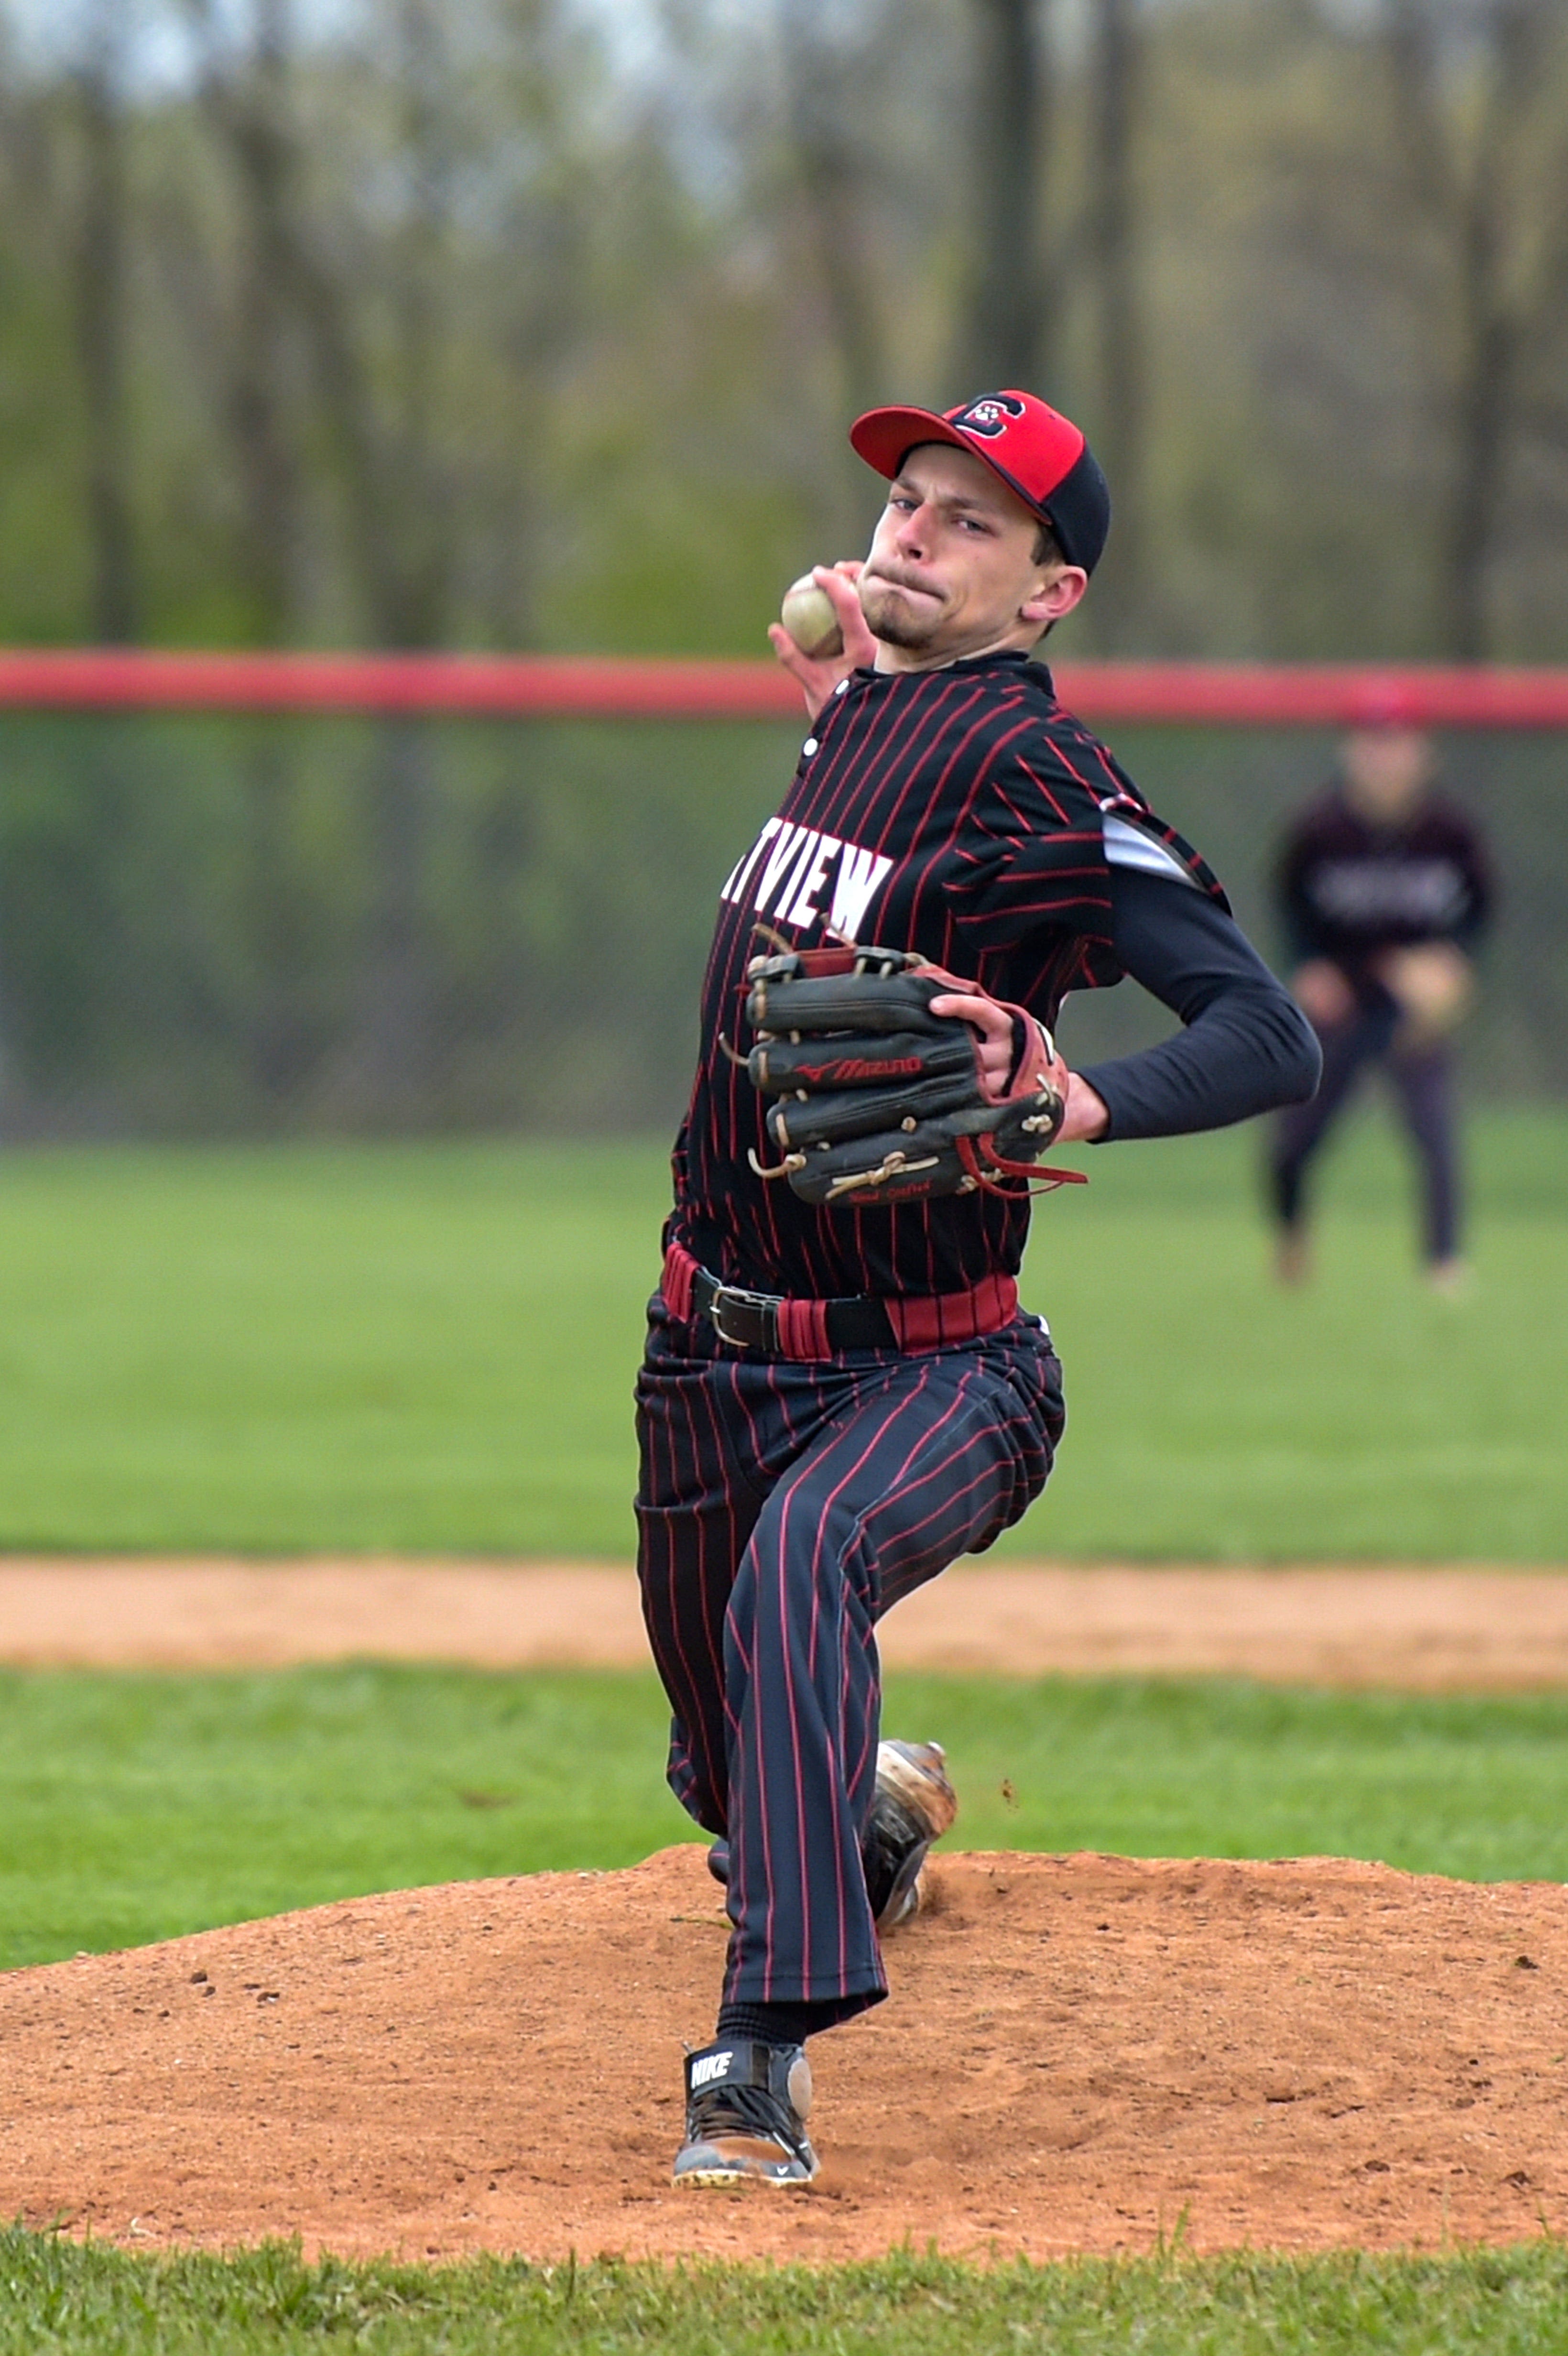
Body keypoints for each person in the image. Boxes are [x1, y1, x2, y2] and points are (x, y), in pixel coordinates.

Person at [635, 388, 1321, 2190]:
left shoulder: (1039, 776)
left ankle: (757, 2063)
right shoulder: (857, 712)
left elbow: (1266, 1031)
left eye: (969, 519)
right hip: (703, 1353)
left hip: (937, 1369)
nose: (914, 531)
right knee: (735, 1786)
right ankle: (857, 1811)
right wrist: (843, 710)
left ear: (1049, 592)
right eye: (909, 498)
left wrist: (1078, 1096)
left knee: (803, 1574)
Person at [1267, 698, 1492, 1293]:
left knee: (1434, 1129)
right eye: (1372, 743)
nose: (1385, 757)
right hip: (1341, 999)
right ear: (1351, 752)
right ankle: (1291, 1241)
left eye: (1398, 743)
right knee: (1295, 1138)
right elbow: (1290, 909)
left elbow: (1477, 913)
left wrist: (1454, 967)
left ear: (1424, 754)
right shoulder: (1318, 829)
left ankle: (1444, 1262)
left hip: (1408, 1007)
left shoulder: (1450, 831)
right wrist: (1307, 967)